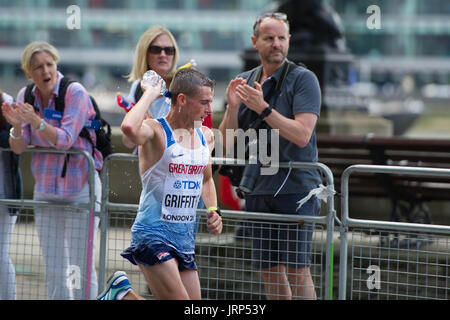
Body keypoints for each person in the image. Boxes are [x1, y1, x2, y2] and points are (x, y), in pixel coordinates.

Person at [218, 12, 322, 300]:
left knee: (298, 270)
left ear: (289, 41)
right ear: (255, 42)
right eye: (269, 38)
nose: (276, 44)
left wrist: (263, 109)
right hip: (259, 188)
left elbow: (302, 134)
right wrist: (231, 107)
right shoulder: (244, 80)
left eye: (281, 38)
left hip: (296, 188)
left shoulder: (304, 79)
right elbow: (228, 142)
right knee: (270, 271)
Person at [97, 67, 222, 300]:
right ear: (182, 100)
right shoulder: (157, 131)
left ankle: (122, 295)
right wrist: (150, 93)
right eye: (204, 102)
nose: (209, 109)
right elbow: (128, 129)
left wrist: (213, 209)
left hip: (184, 238)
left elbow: (205, 179)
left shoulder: (206, 135)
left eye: (210, 102)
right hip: (152, 234)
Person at [1, 41, 103, 300]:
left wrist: (37, 121)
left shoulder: (74, 92)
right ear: (29, 73)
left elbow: (67, 138)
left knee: (80, 268)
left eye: (50, 64)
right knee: (55, 268)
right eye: (38, 67)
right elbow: (19, 147)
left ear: (56, 65)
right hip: (46, 191)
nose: (46, 71)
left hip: (81, 188)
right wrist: (15, 127)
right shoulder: (26, 96)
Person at [124, 26, 212, 147]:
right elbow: (128, 141)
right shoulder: (137, 87)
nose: (163, 54)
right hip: (147, 162)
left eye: (169, 50)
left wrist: (151, 126)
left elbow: (203, 135)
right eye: (156, 49)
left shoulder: (184, 85)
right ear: (144, 53)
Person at [0, 89, 23, 300]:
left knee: (1, 254)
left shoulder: (8, 103)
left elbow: (15, 144)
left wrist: (14, 126)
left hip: (5, 195)